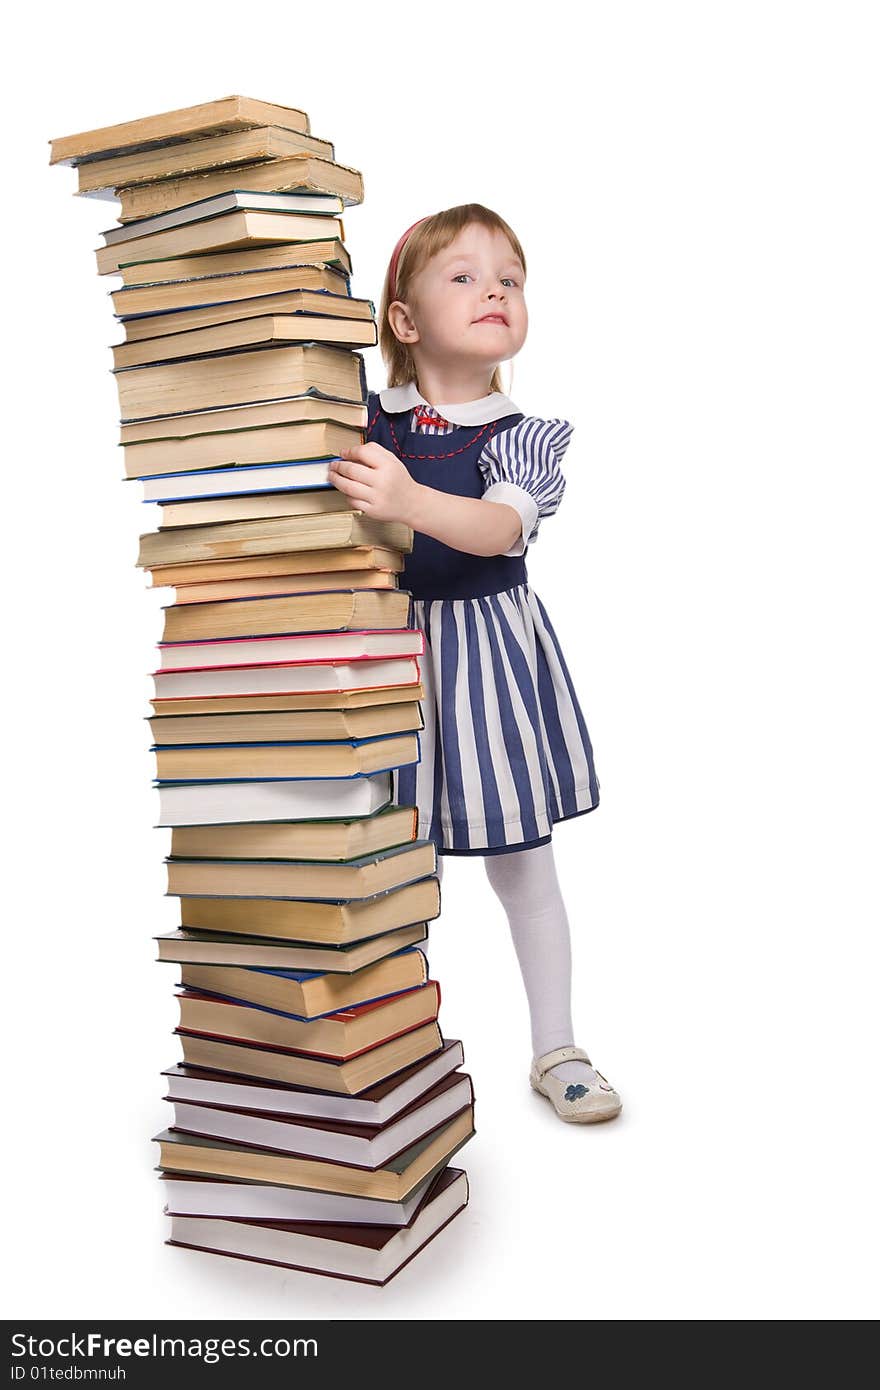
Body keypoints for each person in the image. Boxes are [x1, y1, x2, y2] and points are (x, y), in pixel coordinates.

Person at [328, 204, 621, 1123]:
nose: (495, 289)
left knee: (522, 861)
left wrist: (408, 497)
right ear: (404, 321)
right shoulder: (365, 420)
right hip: (381, 657)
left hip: (485, 658)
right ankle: (389, 1043)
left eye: (511, 278)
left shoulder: (522, 437)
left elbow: (497, 530)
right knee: (386, 856)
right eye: (464, 275)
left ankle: (556, 1045)